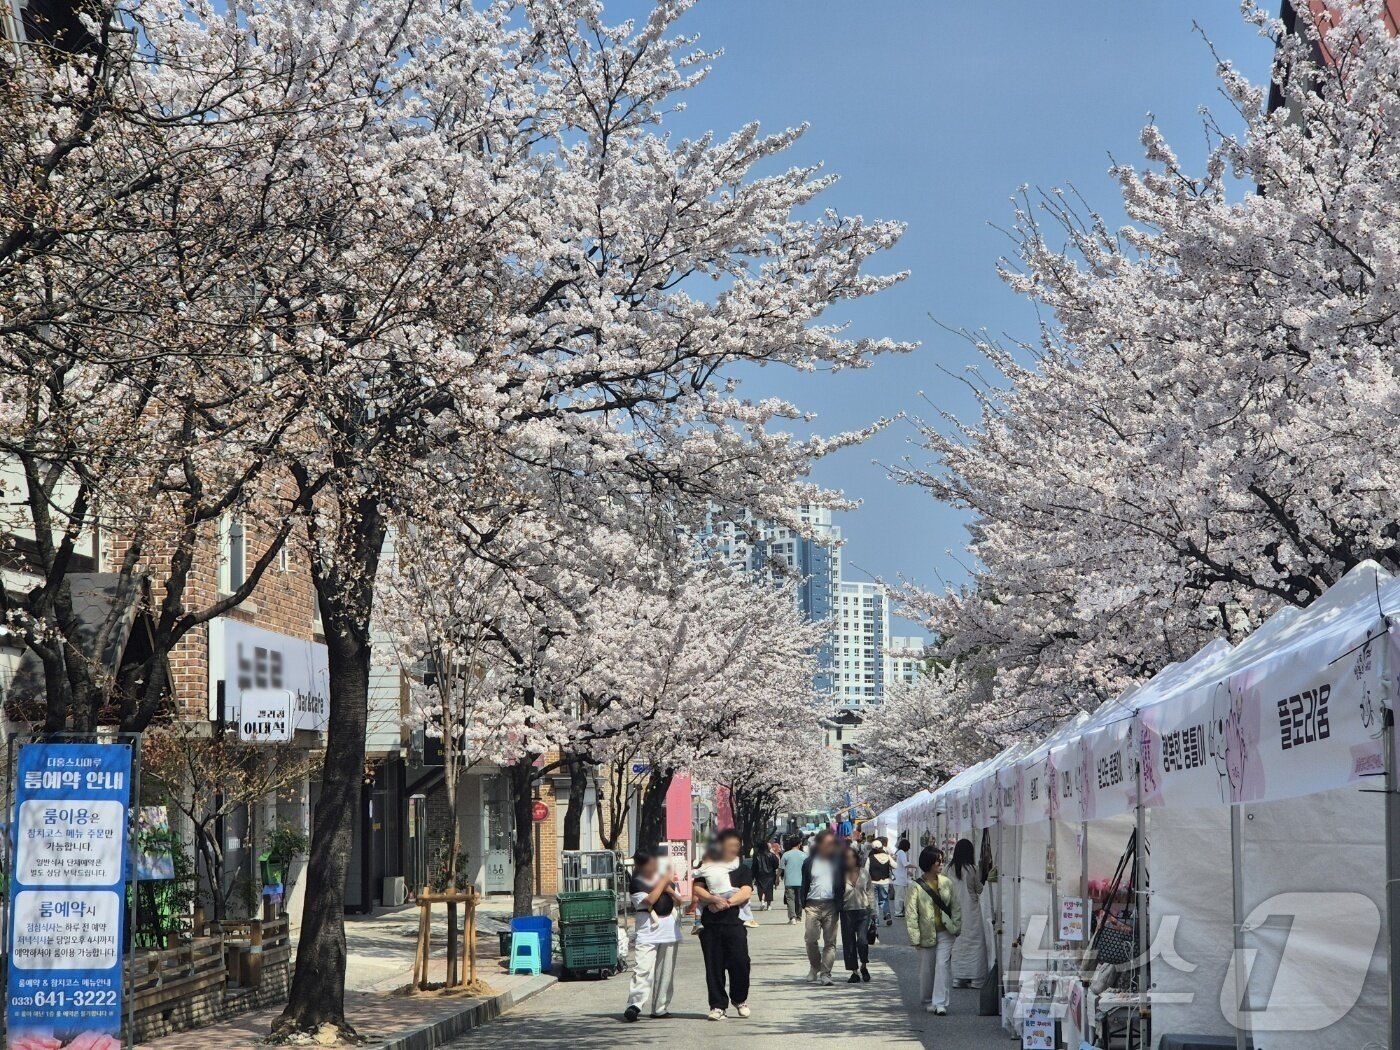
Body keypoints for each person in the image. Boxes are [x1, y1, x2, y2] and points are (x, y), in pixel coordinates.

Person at [692, 828, 754, 1021]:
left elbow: (746, 892)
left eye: (737, 846)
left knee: (740, 963)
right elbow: (697, 889)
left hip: (734, 922)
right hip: (711, 925)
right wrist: (712, 898)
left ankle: (739, 999)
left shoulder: (741, 868)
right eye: (730, 846)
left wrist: (724, 903)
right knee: (714, 965)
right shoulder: (708, 865)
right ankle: (718, 1005)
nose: (734, 849)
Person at [623, 850, 683, 1022]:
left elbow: (679, 901)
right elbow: (650, 900)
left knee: (666, 971)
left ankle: (660, 1007)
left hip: (668, 929)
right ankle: (634, 1004)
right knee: (642, 968)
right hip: (647, 930)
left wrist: (669, 888)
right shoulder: (636, 883)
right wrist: (663, 882)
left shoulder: (664, 879)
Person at [905, 845, 961, 1015]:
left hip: (946, 931)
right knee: (926, 969)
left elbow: (955, 906)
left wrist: (956, 926)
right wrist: (914, 938)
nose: (941, 864)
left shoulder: (947, 883)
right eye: (938, 861)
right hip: (926, 932)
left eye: (942, 860)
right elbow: (911, 913)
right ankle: (928, 1000)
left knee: (942, 965)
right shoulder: (916, 886)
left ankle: (940, 1002)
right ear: (928, 863)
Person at [800, 829, 845, 985]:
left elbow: (843, 884)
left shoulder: (838, 862)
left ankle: (826, 973)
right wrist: (802, 904)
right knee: (811, 939)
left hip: (831, 905)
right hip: (812, 904)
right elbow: (804, 884)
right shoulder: (809, 862)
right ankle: (814, 966)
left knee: (830, 941)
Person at [948, 838, 988, 988]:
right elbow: (979, 889)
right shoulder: (972, 869)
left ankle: (958, 977)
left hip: (953, 909)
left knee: (957, 943)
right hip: (971, 909)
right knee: (975, 942)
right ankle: (976, 979)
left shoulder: (948, 868)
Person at [839, 844, 874, 984]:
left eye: (851, 857)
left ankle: (864, 965)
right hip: (847, 910)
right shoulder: (840, 874)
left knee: (862, 941)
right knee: (849, 943)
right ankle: (854, 971)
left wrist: (874, 911)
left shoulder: (864, 873)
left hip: (863, 910)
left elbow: (870, 891)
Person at [868, 838, 895, 926]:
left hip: (873, 882)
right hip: (885, 881)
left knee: (874, 901)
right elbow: (895, 865)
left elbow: (865, 870)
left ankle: (876, 920)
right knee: (884, 899)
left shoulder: (870, 858)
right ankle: (887, 913)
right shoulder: (887, 856)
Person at [780, 834, 806, 925]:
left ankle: (792, 918)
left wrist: (776, 879)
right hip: (801, 881)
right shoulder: (804, 855)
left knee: (790, 900)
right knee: (799, 900)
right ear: (799, 844)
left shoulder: (786, 855)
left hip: (789, 881)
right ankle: (799, 917)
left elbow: (780, 868)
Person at [751, 840, 779, 913]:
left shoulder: (756, 855)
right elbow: (776, 864)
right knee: (769, 889)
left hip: (759, 875)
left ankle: (762, 901)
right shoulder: (771, 855)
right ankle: (769, 905)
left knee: (761, 889)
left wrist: (752, 875)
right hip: (770, 875)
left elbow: (754, 866)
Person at [892, 836, 913, 918]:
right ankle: (898, 912)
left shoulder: (897, 852)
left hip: (896, 877)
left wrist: (908, 872)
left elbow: (900, 866)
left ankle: (899, 911)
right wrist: (915, 866)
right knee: (899, 897)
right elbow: (905, 864)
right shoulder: (902, 853)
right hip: (900, 879)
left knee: (898, 896)